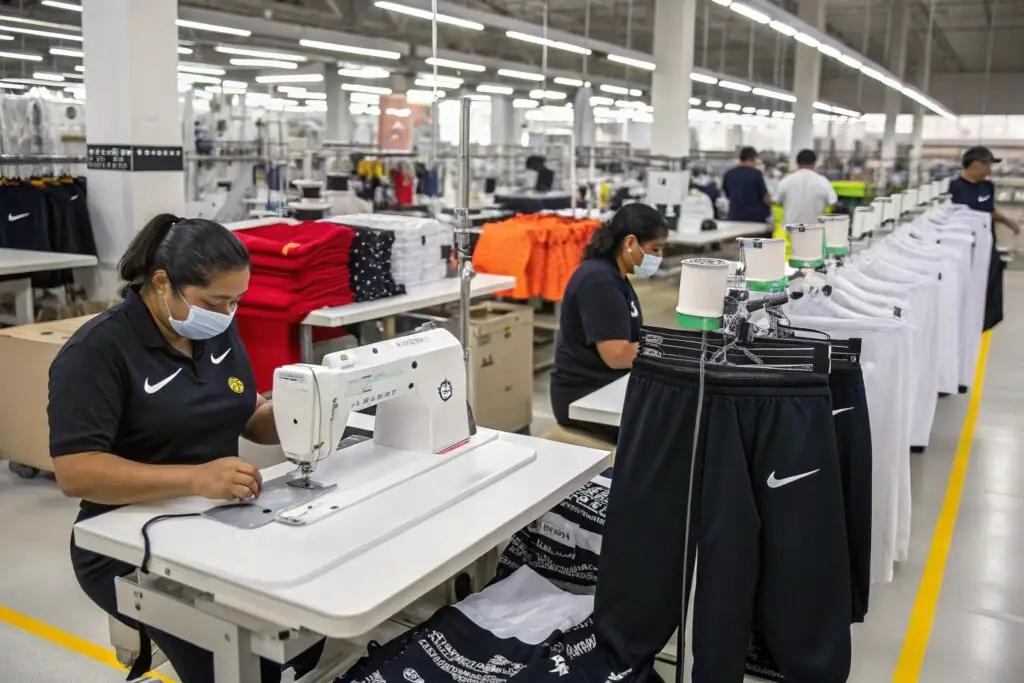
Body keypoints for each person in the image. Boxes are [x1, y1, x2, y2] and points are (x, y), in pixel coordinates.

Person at [47, 215, 324, 683]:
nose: (228, 312)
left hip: (217, 519)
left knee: (310, 614)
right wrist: (196, 478)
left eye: (236, 301)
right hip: (126, 540)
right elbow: (77, 471)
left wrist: (309, 410)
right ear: (162, 283)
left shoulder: (213, 329)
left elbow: (247, 414)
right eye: (217, 301)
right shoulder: (98, 352)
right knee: (238, 658)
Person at [549, 204, 669, 444]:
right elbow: (617, 355)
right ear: (630, 243)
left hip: (606, 386)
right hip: (585, 395)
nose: (658, 258)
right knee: (671, 430)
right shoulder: (599, 282)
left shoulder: (616, 277)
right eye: (654, 249)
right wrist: (668, 350)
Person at [948, 146, 1021, 331]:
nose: (990, 170)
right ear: (975, 164)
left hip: (988, 245)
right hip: (966, 250)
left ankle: (981, 324)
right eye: (987, 165)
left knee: (991, 290)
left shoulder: (987, 186)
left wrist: (1007, 221)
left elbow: (988, 210)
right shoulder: (955, 188)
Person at [776, 149, 839, 226]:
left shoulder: (786, 181)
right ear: (814, 164)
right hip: (815, 232)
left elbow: (777, 201)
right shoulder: (823, 182)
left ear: (797, 163)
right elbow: (833, 202)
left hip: (789, 233)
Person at [722, 146, 772, 223]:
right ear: (751, 159)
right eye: (755, 160)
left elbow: (728, 195)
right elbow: (765, 197)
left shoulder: (728, 174)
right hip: (755, 219)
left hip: (734, 217)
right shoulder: (756, 174)